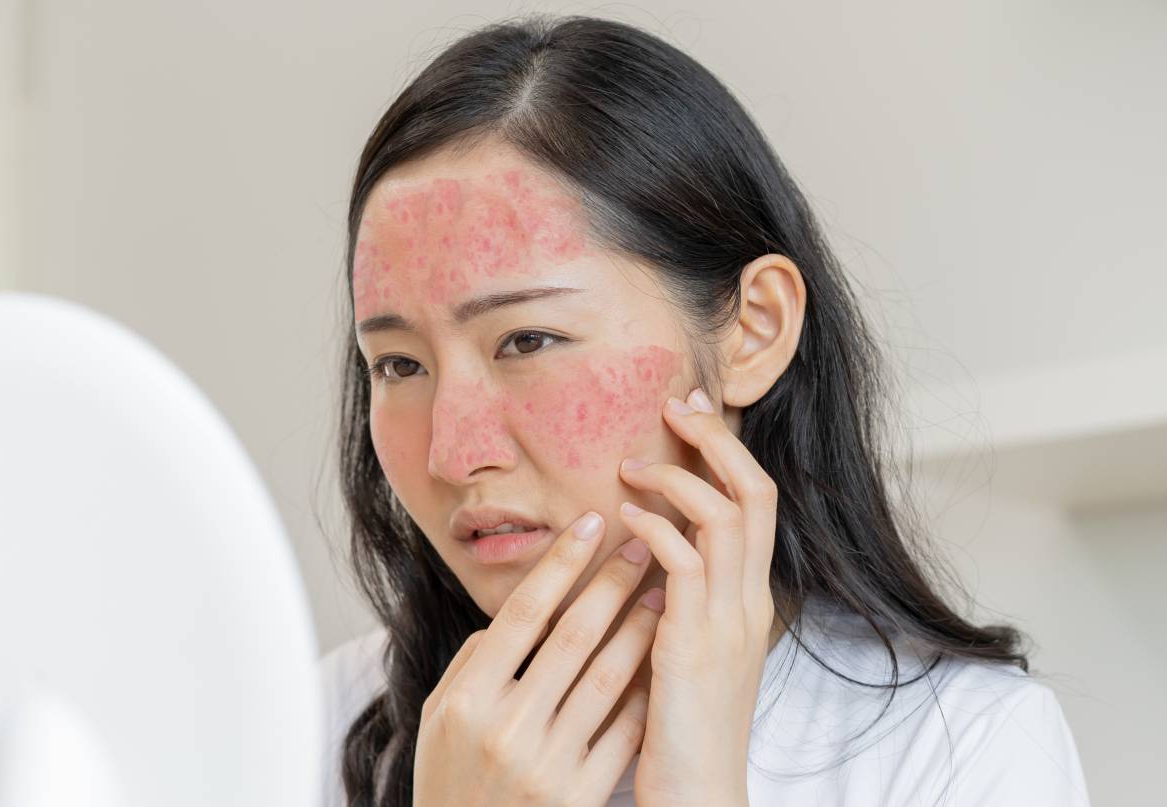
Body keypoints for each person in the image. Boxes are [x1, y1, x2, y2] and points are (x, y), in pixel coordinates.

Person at [319, 14, 1090, 807]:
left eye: (527, 340)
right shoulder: (317, 724)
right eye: (399, 364)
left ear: (754, 330)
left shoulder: (962, 747)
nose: (452, 450)